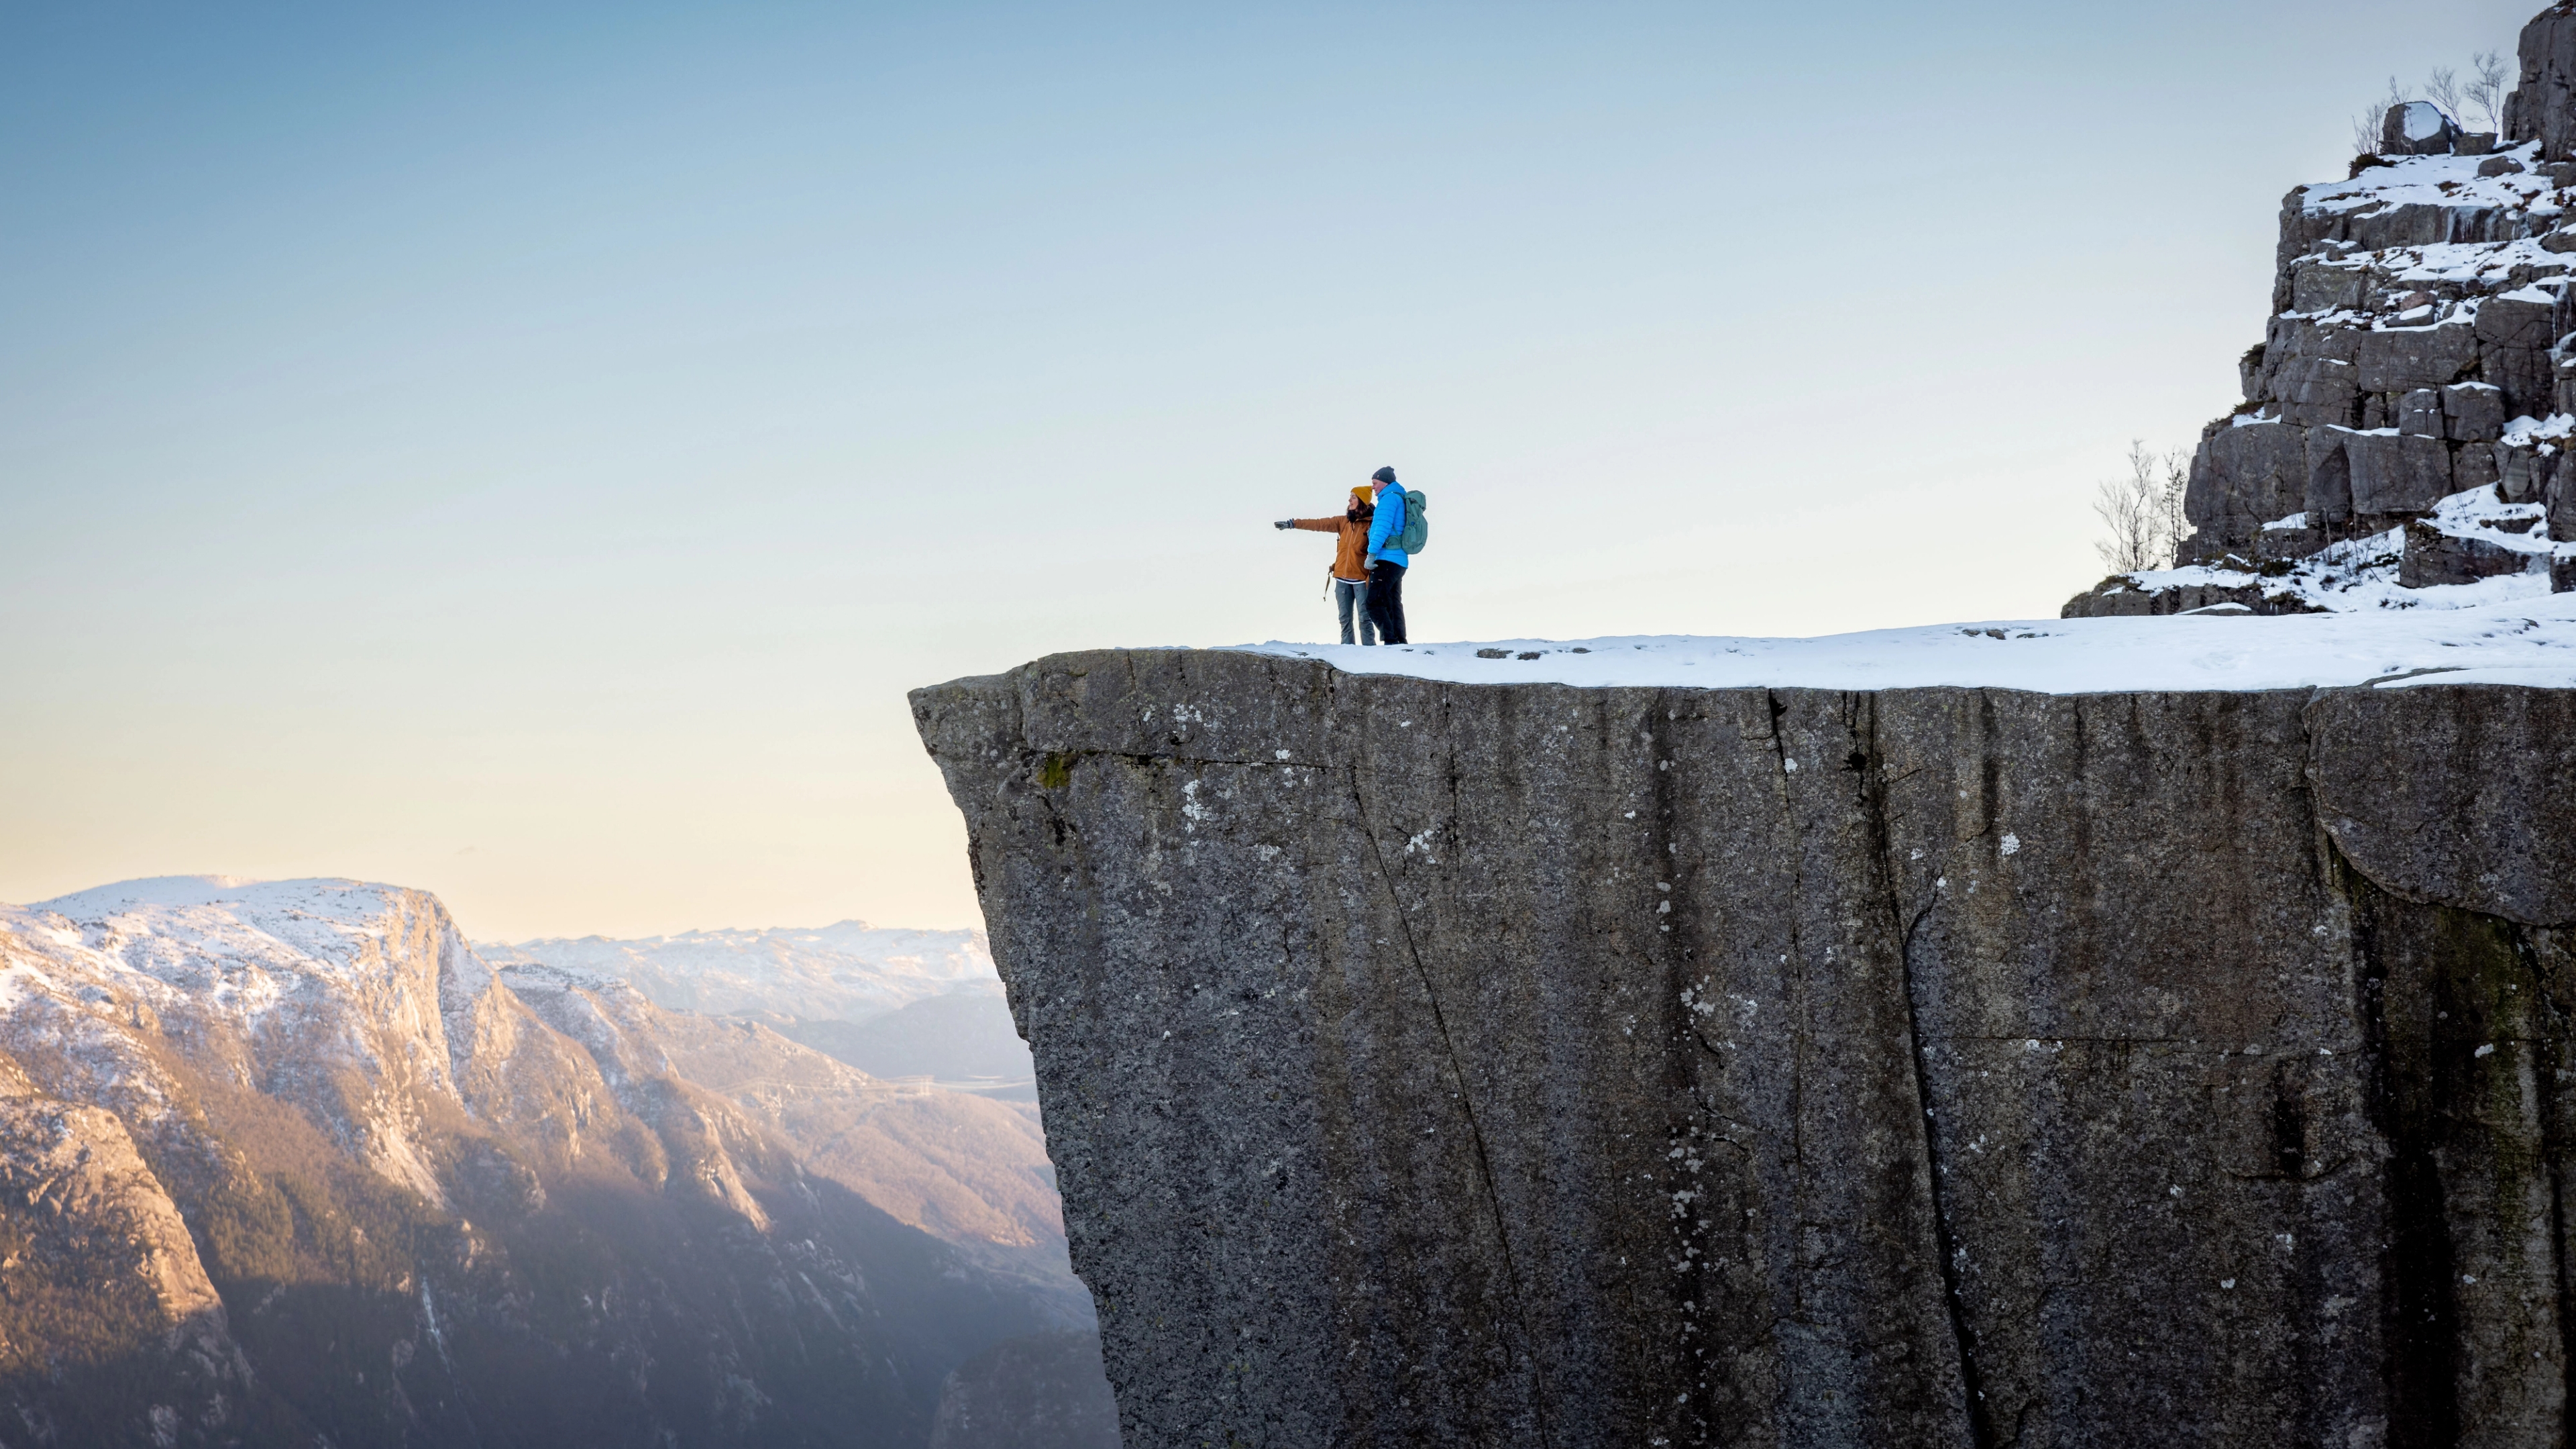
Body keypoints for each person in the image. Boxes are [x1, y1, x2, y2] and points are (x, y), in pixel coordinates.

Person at [1273, 486, 1377, 645]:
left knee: (1365, 619)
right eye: (1350, 497)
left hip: (1362, 579)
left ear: (1363, 501)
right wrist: (1292, 524)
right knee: (1345, 619)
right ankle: (1348, 651)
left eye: (1353, 497)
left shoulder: (1372, 524)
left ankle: (1370, 653)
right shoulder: (1343, 522)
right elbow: (1318, 524)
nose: (1349, 500)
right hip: (1342, 579)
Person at [1362, 466, 1409, 645]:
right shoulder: (1399, 497)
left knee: (1373, 602)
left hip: (1386, 558)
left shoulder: (1388, 500)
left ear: (1385, 481)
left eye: (1375, 483)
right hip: (1399, 560)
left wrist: (1371, 554)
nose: (1373, 487)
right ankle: (1399, 640)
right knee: (1392, 602)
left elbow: (1381, 528)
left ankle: (1391, 641)